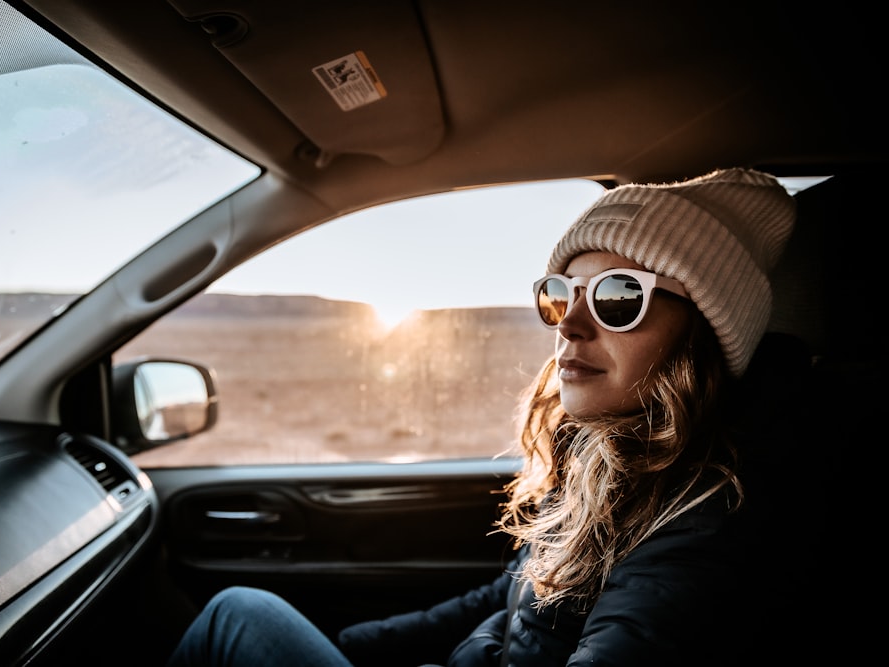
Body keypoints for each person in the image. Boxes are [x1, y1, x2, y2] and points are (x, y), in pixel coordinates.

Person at [165, 167, 798, 667]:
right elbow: (514, 598)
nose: (570, 326)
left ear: (702, 338)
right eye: (560, 294)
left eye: (618, 296)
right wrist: (360, 644)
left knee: (236, 615)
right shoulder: (610, 460)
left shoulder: (706, 526)